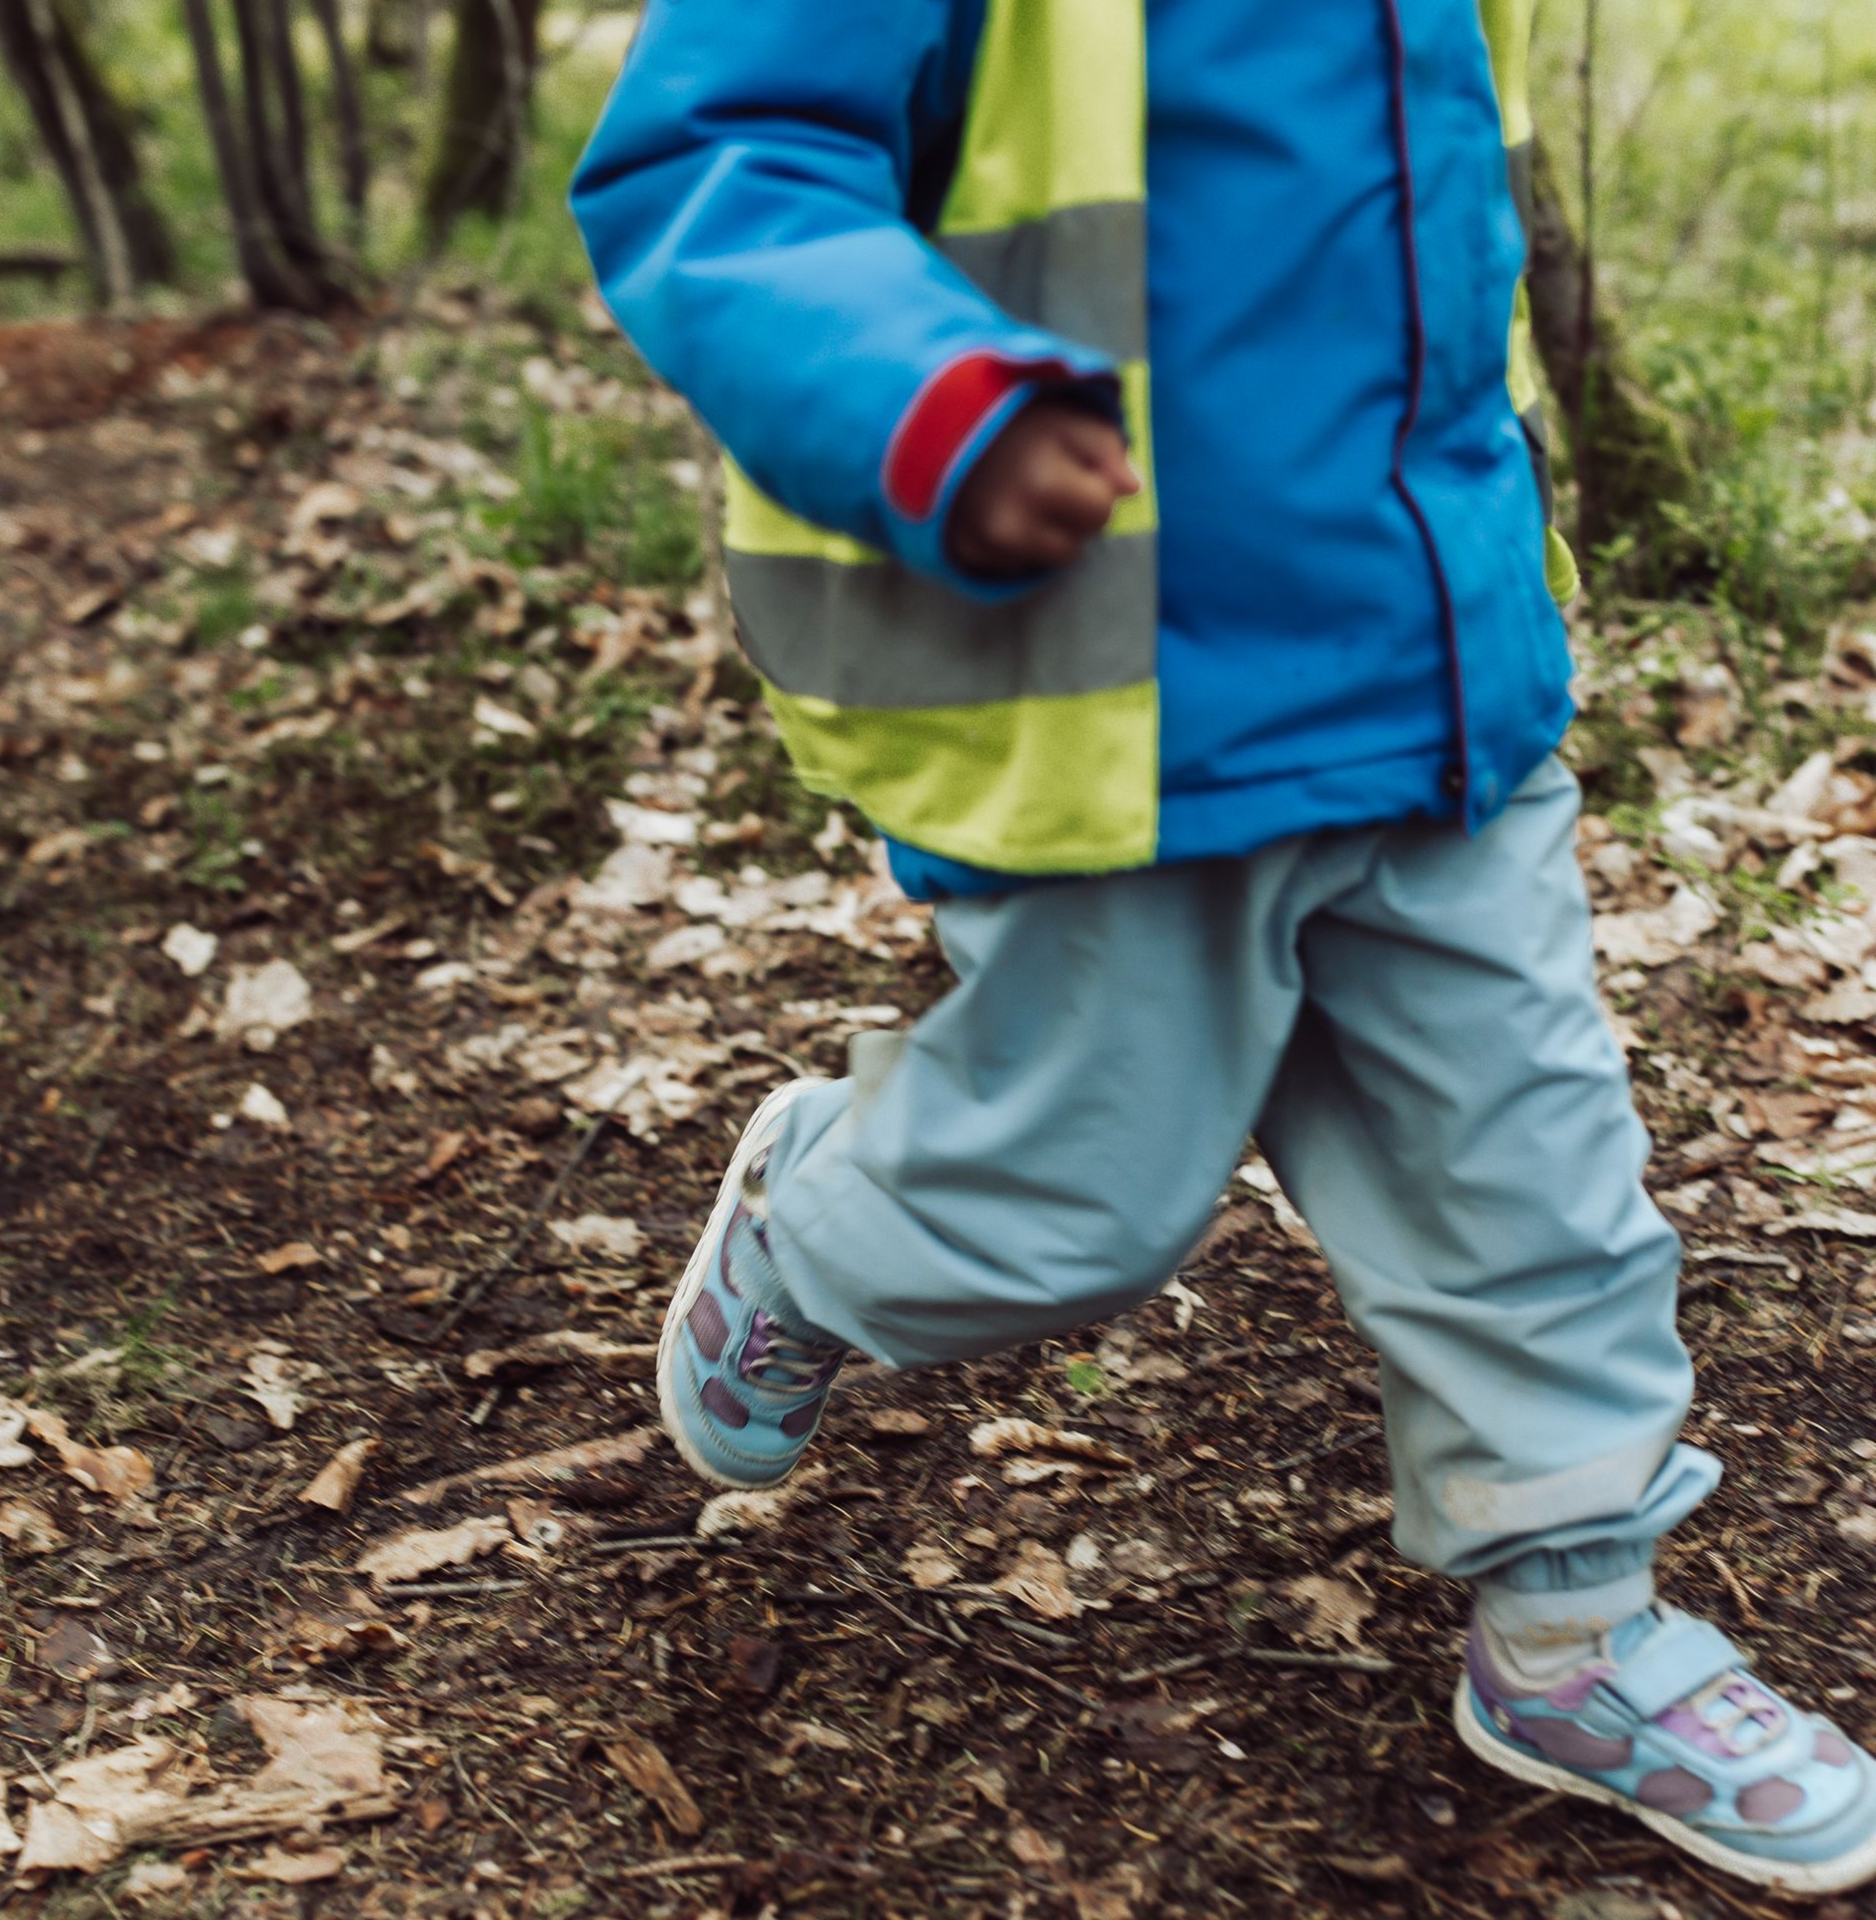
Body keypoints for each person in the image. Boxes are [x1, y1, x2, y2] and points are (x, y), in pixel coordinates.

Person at [570, 0, 1876, 1890]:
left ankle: (1576, 1634)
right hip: (1114, 700)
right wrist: (933, 403)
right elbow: (715, 155)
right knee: (1070, 1205)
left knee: (1536, 1178)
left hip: (1430, 671)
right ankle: (816, 1223)